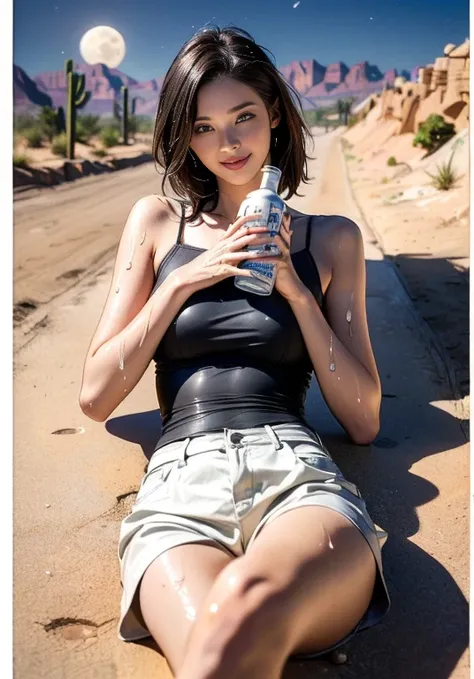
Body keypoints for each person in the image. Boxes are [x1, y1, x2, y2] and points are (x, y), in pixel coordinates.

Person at [80, 25, 390, 679]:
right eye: (203, 125)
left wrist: (296, 292)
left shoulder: (330, 240)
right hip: (178, 483)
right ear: (185, 136)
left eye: (244, 116)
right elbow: (97, 393)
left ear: (274, 114)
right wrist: (184, 280)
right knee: (217, 646)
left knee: (245, 608)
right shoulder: (158, 223)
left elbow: (364, 417)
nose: (228, 142)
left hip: (295, 476)